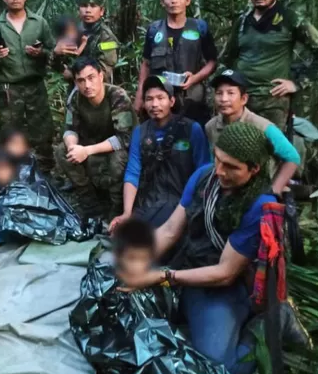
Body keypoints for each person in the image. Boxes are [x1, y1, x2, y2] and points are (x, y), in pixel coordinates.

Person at [117, 122, 307, 373]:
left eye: (231, 167)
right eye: (218, 159)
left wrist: (163, 277)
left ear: (254, 169)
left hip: (222, 287)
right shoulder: (203, 176)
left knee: (218, 368)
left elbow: (225, 273)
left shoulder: (259, 206)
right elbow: (170, 230)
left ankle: (273, 320)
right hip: (188, 265)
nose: (219, 171)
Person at [222, 0, 318, 130]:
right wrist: (225, 90)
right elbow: (226, 58)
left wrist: (297, 83)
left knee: (271, 150)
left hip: (273, 100)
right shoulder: (242, 21)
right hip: (242, 99)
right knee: (237, 148)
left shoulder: (290, 19)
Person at [111, 75, 211, 231]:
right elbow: (132, 173)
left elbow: (204, 171)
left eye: (160, 98)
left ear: (171, 101)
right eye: (149, 99)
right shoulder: (140, 132)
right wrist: (126, 213)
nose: (154, 104)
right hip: (149, 201)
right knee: (121, 235)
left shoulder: (191, 129)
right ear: (143, 103)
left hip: (182, 203)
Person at [0, 0, 56, 172]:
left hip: (35, 85)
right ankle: (9, 173)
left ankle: (45, 173)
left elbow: (53, 51)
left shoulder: (39, 23)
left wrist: (40, 53)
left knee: (42, 129)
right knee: (8, 130)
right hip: (9, 87)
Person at [54, 57, 136, 220]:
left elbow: (124, 139)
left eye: (91, 78)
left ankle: (117, 208)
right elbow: (70, 129)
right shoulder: (76, 97)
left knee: (119, 158)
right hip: (90, 144)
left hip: (116, 148)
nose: (87, 85)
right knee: (62, 151)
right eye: (81, 80)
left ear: (101, 76)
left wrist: (86, 151)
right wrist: (72, 147)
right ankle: (90, 204)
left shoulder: (117, 96)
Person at [135, 0, 217, 126]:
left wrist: (195, 78)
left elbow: (212, 62)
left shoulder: (200, 28)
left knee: (192, 138)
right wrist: (140, 94)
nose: (174, 0)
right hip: (160, 100)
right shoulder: (154, 30)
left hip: (191, 99)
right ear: (162, 1)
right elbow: (146, 63)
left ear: (188, 0)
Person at [205, 70, 300, 193]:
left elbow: (292, 157)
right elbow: (213, 161)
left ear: (243, 99)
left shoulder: (262, 126)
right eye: (219, 93)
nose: (224, 99)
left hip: (257, 190)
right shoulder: (211, 126)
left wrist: (275, 190)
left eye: (230, 93)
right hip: (225, 187)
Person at [54, 0, 120, 83]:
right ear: (79, 9)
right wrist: (56, 54)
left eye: (93, 6)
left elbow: (104, 72)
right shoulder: (73, 31)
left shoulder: (107, 39)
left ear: (101, 11)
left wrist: (73, 75)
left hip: (98, 91)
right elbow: (58, 64)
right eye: (84, 6)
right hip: (75, 89)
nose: (88, 10)